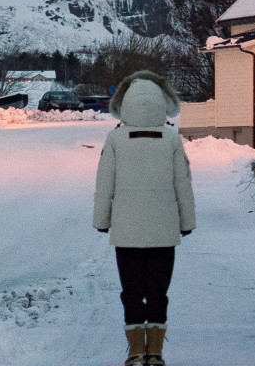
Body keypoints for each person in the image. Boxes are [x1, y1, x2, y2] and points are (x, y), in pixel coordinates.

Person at [92, 70, 195, 366]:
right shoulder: (172, 139)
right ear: (162, 103)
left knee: (133, 292)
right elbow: (182, 184)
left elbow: (104, 184)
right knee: (158, 293)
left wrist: (102, 220)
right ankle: (156, 352)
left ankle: (136, 351)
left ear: (125, 104)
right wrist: (186, 222)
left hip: (126, 234)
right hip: (164, 233)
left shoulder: (115, 139)